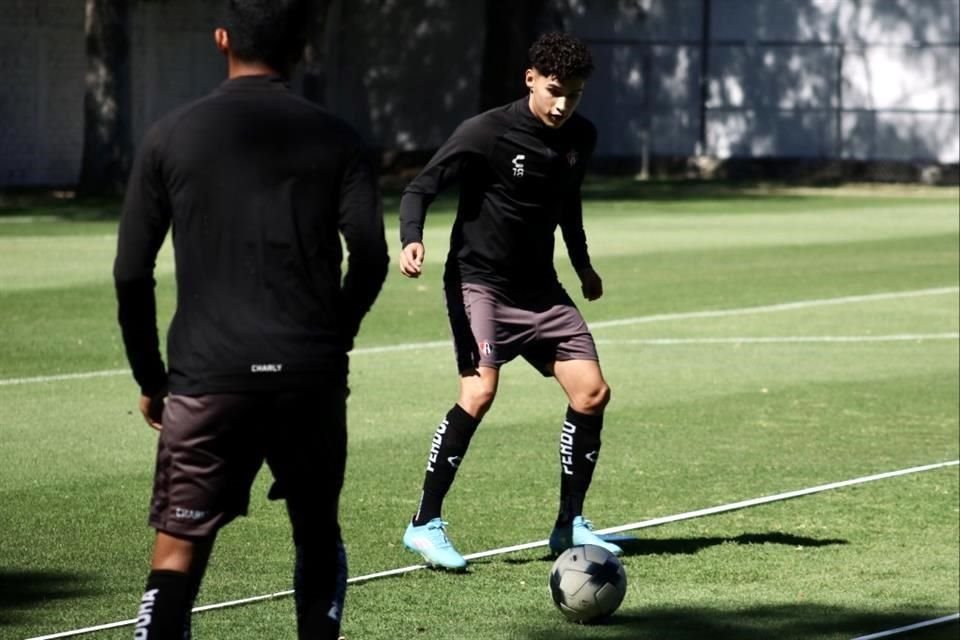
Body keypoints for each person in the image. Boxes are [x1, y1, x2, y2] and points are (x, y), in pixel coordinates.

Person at [113, 1, 389, 637]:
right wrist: (335, 337)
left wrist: (153, 377)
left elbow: (131, 273)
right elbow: (371, 257)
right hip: (310, 377)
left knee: (177, 551)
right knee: (317, 534)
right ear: (301, 47)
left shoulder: (169, 135)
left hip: (207, 378)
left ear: (221, 39)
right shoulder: (339, 138)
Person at [397, 32, 619, 571]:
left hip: (540, 288)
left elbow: (568, 204)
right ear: (531, 79)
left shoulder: (580, 136)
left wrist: (582, 264)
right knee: (479, 393)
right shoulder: (486, 131)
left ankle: (569, 524)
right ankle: (424, 524)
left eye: (575, 95)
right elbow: (421, 187)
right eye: (555, 91)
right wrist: (411, 237)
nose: (563, 105)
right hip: (479, 284)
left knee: (592, 392)